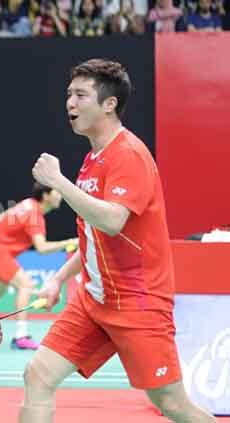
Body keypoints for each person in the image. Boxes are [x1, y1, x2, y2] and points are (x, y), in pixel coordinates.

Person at [24, 58, 216, 422]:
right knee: (38, 376)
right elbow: (96, 234)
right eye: (69, 94)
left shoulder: (128, 154)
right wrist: (58, 279)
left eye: (81, 94)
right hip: (95, 301)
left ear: (109, 104)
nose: (70, 103)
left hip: (137, 302)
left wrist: (58, 182)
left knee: (172, 405)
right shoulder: (92, 158)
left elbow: (113, 220)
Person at [0, 182, 77, 350]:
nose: (61, 195)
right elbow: (42, 248)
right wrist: (70, 242)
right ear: (46, 196)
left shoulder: (27, 203)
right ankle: (20, 337)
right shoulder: (35, 216)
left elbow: (1, 217)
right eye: (57, 192)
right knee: (26, 285)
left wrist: (4, 234)